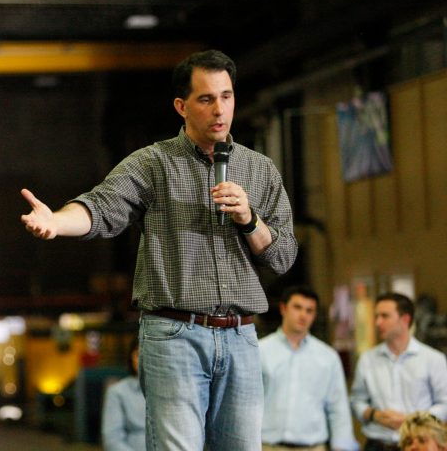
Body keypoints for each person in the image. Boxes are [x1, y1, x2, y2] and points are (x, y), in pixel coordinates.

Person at [20, 49, 298, 450]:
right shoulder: (153, 164)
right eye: (206, 99)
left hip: (241, 336)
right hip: (175, 335)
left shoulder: (260, 170)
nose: (219, 109)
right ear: (181, 106)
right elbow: (101, 207)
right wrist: (56, 222)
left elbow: (284, 256)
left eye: (227, 96)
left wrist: (250, 219)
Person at [350, 292, 447, 451]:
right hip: (377, 445)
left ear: (405, 319)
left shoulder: (433, 359)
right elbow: (356, 401)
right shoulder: (367, 359)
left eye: (385, 316)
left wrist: (413, 419)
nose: (378, 322)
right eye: (376, 316)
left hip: (417, 445)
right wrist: (374, 415)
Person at [259, 285, 358, 451]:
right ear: (283, 308)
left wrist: (342, 446)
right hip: (268, 445)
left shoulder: (328, 357)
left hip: (313, 446)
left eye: (309, 310)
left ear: (314, 315)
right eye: (297, 307)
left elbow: (338, 407)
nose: (303, 315)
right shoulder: (260, 350)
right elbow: (248, 403)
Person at [101, 337, 145, 451]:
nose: (144, 360)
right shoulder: (118, 392)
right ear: (131, 358)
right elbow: (112, 440)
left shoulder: (175, 390)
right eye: (139, 354)